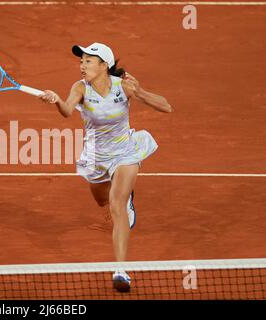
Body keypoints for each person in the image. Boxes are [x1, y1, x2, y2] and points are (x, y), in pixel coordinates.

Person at [39, 43, 173, 292]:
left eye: (88, 61)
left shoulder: (123, 86)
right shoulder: (80, 88)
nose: (82, 66)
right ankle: (123, 196)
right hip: (96, 156)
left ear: (104, 65)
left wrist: (140, 92)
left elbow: (166, 106)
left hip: (125, 152)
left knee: (116, 206)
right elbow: (68, 111)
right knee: (102, 201)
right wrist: (56, 100)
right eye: (81, 61)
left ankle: (121, 271)